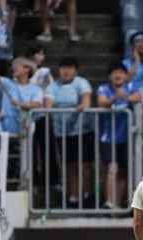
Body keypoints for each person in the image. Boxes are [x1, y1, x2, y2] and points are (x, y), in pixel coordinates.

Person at [44, 56, 94, 208]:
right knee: (71, 165)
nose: (66, 71)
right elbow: (48, 105)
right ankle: (73, 197)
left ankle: (89, 194)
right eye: (63, 67)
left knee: (85, 164)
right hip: (62, 133)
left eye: (70, 68)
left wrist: (83, 106)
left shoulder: (82, 82)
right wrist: (50, 110)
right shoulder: (53, 86)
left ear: (76, 71)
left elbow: (86, 98)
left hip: (83, 130)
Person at [96, 62, 142, 209]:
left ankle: (117, 204)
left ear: (125, 75)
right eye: (114, 73)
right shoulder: (103, 88)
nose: (117, 75)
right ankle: (108, 202)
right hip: (107, 137)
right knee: (112, 167)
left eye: (121, 72)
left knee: (123, 171)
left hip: (127, 137)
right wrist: (115, 98)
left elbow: (139, 97)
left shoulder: (131, 87)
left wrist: (126, 97)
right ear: (110, 76)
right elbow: (102, 102)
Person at [0, 52, 43, 134]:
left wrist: (19, 104)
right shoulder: (8, 83)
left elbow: (36, 104)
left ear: (27, 69)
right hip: (6, 128)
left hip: (24, 129)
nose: (14, 68)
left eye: (17, 66)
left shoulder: (36, 89)